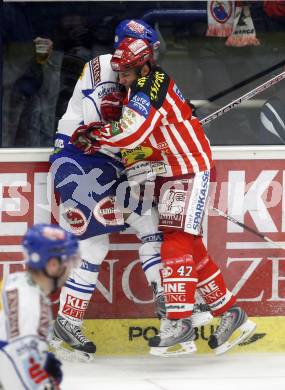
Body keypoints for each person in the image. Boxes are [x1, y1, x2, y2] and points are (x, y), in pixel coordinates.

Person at [70, 36, 257, 357]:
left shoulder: (151, 83)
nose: (122, 78)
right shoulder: (140, 85)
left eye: (127, 71)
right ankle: (230, 314)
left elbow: (133, 131)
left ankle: (179, 320)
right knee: (191, 244)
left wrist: (95, 135)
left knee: (176, 240)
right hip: (172, 170)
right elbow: (139, 137)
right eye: (120, 72)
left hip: (189, 168)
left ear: (144, 64)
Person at [0, 224, 80, 390]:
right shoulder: (32, 307)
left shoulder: (15, 280)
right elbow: (18, 380)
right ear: (52, 264)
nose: (70, 270)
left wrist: (36, 357)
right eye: (68, 262)